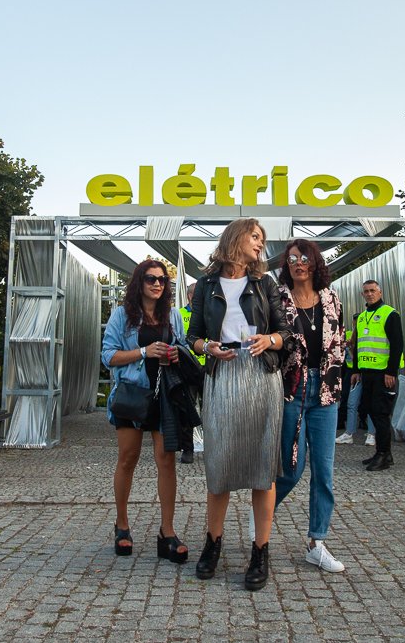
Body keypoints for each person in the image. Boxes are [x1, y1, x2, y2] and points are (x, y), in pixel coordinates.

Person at [185, 218, 291, 591]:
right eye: (255, 236)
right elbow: (192, 336)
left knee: (264, 467)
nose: (260, 243)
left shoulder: (265, 283)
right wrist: (208, 347)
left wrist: (270, 340)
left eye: (262, 238)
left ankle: (260, 551)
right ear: (236, 237)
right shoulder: (206, 284)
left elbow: (286, 331)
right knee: (219, 465)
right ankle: (212, 544)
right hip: (222, 374)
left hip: (261, 376)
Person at [101, 259, 191, 564]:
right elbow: (108, 356)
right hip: (132, 394)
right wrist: (143, 351)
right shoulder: (122, 316)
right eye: (151, 279)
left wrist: (176, 353)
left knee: (166, 461)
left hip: (163, 396)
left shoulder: (173, 315)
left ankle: (167, 532)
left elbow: (183, 346)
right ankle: (122, 525)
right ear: (139, 282)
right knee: (128, 459)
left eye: (162, 280)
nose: (157, 284)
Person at [274, 239, 347, 573]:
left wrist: (338, 379)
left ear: (315, 262)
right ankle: (261, 514)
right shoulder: (278, 298)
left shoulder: (331, 298)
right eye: (292, 259)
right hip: (293, 389)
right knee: (292, 468)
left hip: (326, 392)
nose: (298, 263)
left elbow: (338, 341)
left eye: (304, 257)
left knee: (324, 470)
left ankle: (317, 542)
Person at [350, 280, 404, 471]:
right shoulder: (362, 317)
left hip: (383, 373)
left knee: (381, 413)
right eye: (366, 291)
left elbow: (397, 344)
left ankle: (383, 453)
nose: (369, 294)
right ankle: (383, 453)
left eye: (373, 290)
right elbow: (358, 345)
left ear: (380, 292)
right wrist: (356, 370)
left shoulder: (390, 314)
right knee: (369, 410)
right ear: (362, 294)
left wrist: (391, 371)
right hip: (367, 372)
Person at [336, 328, 376, 446]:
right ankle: (349, 433)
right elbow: (357, 351)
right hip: (360, 371)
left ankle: (371, 434)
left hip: (371, 371)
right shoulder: (359, 329)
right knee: (351, 403)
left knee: (370, 404)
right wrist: (356, 371)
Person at [177, 283, 202, 465]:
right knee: (187, 408)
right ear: (189, 296)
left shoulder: (208, 313)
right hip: (188, 368)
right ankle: (188, 449)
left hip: (208, 367)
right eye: (196, 294)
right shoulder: (180, 314)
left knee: (212, 409)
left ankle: (215, 447)